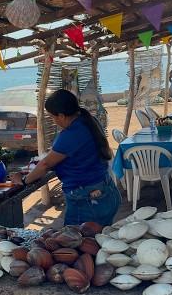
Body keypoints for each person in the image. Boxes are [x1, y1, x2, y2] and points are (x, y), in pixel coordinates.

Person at [11, 89, 121, 226]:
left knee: (77, 242)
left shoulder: (71, 134)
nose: (54, 121)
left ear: (61, 116)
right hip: (106, 190)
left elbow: (45, 164)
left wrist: (24, 180)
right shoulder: (88, 120)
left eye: (53, 117)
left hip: (88, 200)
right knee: (99, 241)